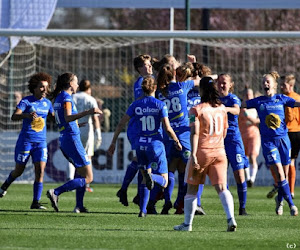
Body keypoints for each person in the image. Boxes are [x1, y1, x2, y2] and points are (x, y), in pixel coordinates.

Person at [107, 76, 182, 217]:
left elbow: (121, 123)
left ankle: (143, 210)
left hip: (140, 145)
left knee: (143, 179)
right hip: (155, 145)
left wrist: (113, 142)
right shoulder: (160, 105)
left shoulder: (135, 104)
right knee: (164, 181)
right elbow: (167, 127)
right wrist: (176, 141)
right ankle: (152, 177)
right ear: (155, 88)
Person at [174, 77, 237, 232]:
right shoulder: (222, 108)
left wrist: (194, 154)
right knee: (222, 188)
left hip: (203, 151)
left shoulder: (196, 109)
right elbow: (224, 131)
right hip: (220, 152)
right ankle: (231, 219)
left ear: (201, 90)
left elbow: (195, 133)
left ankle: (187, 225)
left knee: (192, 189)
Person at [243, 71, 299, 216]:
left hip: (284, 140)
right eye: (263, 82)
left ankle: (279, 201)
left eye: (268, 81)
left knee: (284, 176)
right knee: (280, 173)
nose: (265, 84)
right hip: (269, 142)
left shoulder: (281, 98)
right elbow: (241, 105)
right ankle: (292, 205)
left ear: (274, 85)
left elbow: (297, 103)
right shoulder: (258, 101)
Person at [46, 72, 102, 213]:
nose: (77, 84)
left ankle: (79, 205)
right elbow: (68, 117)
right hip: (72, 139)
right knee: (89, 177)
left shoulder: (59, 97)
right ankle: (56, 192)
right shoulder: (66, 97)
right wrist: (89, 112)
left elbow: (63, 120)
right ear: (71, 84)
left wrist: (77, 125)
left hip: (66, 137)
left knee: (81, 173)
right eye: (76, 82)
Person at [152, 61, 200, 215]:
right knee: (187, 170)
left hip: (167, 135)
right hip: (184, 135)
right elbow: (200, 80)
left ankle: (166, 200)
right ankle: (181, 204)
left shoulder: (160, 92)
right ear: (174, 74)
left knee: (169, 169)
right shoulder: (181, 87)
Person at [0, 72, 54, 209]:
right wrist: (26, 115)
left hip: (41, 142)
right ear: (34, 88)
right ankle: (5, 185)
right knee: (19, 170)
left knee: (40, 171)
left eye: (46, 87)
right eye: (41, 87)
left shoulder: (48, 103)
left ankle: (35, 202)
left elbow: (54, 117)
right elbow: (14, 116)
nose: (44, 90)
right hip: (26, 141)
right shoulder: (26, 101)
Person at [116, 54, 153, 207]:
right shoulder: (141, 83)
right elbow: (142, 104)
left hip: (145, 128)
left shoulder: (150, 81)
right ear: (139, 68)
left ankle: (133, 192)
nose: (149, 67)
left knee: (142, 162)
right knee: (142, 161)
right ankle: (130, 192)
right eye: (146, 65)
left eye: (150, 64)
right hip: (138, 128)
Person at [217, 73, 249, 216]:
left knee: (239, 174)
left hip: (233, 141)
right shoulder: (214, 99)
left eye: (224, 82)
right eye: (219, 82)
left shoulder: (232, 98)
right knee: (222, 177)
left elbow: (237, 109)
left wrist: (225, 109)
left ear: (230, 85)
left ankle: (242, 208)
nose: (222, 85)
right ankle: (228, 208)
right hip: (218, 141)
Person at [72, 79, 102, 193]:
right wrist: (98, 133)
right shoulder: (91, 99)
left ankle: (73, 182)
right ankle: (85, 184)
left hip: (74, 128)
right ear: (89, 88)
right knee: (87, 158)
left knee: (75, 158)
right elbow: (95, 118)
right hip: (87, 130)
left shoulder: (73, 97)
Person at [280, 74, 300, 199]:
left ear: (291, 85)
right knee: (285, 162)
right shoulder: (280, 98)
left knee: (290, 162)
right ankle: (285, 188)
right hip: (284, 133)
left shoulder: (296, 98)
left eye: (284, 85)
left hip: (294, 133)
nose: (281, 87)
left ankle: (289, 190)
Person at [238, 87, 261, 187]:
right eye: (246, 95)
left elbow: (258, 120)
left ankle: (252, 178)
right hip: (242, 135)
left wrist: (249, 118)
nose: (248, 96)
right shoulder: (239, 108)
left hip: (254, 135)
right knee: (244, 158)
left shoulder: (255, 108)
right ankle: (247, 179)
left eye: (250, 95)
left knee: (252, 156)